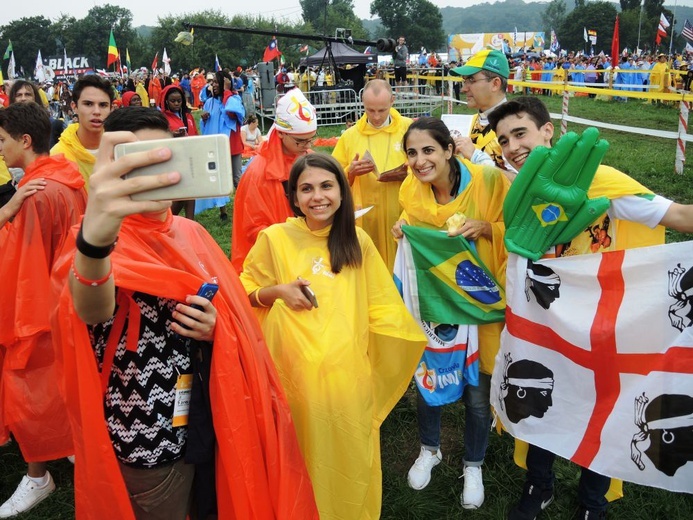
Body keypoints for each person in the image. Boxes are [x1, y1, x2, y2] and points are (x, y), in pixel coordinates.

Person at [50, 106, 319, 520]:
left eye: (166, 153)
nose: (157, 168)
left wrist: (217, 329)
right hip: (147, 438)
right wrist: (95, 242)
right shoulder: (94, 242)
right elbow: (91, 308)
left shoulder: (190, 232)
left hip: (207, 417)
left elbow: (231, 309)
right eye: (138, 158)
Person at [487, 96, 693, 519]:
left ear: (548, 130)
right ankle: (539, 485)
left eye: (520, 132)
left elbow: (679, 217)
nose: (512, 147)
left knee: (603, 407)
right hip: (542, 325)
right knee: (540, 401)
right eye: (504, 140)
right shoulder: (518, 189)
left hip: (600, 326)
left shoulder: (600, 181)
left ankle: (591, 502)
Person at [239, 152, 425, 519]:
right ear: (293, 197)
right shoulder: (274, 239)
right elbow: (243, 290)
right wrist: (276, 292)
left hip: (347, 379)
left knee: (350, 458)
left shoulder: (357, 242)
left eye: (326, 186)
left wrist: (403, 344)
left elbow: (381, 307)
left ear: (342, 191)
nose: (317, 196)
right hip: (292, 380)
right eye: (306, 189)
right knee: (298, 459)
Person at [391, 116, 509, 510]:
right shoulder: (412, 186)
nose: (420, 161)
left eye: (428, 151)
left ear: (448, 149)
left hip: (479, 298)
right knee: (428, 376)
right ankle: (430, 449)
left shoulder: (488, 182)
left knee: (477, 393)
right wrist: (402, 226)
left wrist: (485, 228)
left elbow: (516, 228)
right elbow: (414, 218)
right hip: (436, 298)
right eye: (412, 153)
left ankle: (472, 464)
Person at [0, 102, 87, 518]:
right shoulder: (68, 179)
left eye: (2, 140)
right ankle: (67, 453)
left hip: (39, 308)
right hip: (68, 300)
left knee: (29, 391)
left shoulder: (35, 193)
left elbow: (22, 263)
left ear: (25, 140)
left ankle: (38, 474)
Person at [231, 88, 317, 273]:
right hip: (273, 261)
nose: (307, 146)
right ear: (280, 134)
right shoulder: (258, 173)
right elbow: (253, 229)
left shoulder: (308, 157)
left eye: (311, 139)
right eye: (300, 141)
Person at [332, 79, 411, 271]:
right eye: (370, 110)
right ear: (362, 103)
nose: (376, 117)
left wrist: (407, 172)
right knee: (368, 268)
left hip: (401, 213)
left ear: (392, 101)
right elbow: (331, 177)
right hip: (364, 217)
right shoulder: (350, 136)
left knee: (399, 268)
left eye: (382, 110)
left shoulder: (409, 130)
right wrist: (349, 173)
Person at [449, 49, 511, 175]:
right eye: (464, 81)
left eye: (471, 80)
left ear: (495, 84)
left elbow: (524, 186)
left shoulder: (517, 129)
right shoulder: (467, 123)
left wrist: (475, 157)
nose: (463, 89)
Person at [196, 70, 244, 219]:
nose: (213, 85)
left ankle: (245, 206)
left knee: (237, 178)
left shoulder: (233, 98)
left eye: (217, 82)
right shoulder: (210, 102)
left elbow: (232, 113)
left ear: (225, 83)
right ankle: (223, 211)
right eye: (212, 82)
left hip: (232, 145)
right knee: (218, 177)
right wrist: (204, 119)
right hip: (216, 148)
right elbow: (206, 127)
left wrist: (227, 92)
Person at [51, 74, 113, 184]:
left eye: (103, 105)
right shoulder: (57, 156)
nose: (97, 111)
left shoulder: (120, 149)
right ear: (74, 107)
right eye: (88, 104)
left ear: (111, 109)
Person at [158, 84, 198, 221]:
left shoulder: (188, 116)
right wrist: (172, 135)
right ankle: (168, 220)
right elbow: (158, 138)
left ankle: (191, 221)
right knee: (181, 194)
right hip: (173, 159)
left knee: (191, 190)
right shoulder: (161, 118)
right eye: (173, 101)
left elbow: (195, 134)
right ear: (166, 101)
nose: (176, 104)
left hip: (190, 157)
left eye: (179, 101)